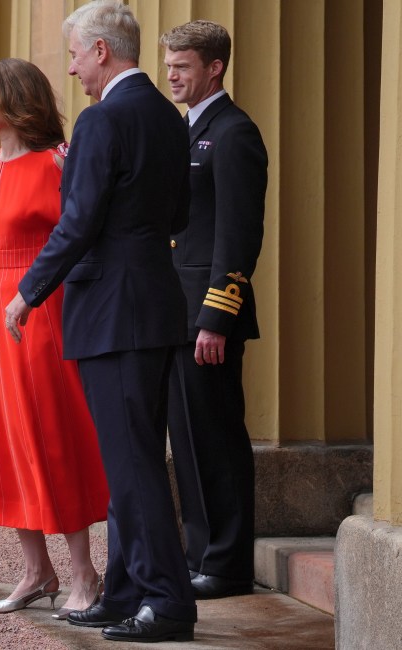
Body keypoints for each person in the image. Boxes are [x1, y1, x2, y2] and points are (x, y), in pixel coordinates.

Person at [4, 1, 196, 643]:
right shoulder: (171, 118)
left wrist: (29, 290)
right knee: (129, 459)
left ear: (103, 52)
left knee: (134, 463)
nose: (72, 69)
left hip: (114, 313)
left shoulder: (101, 119)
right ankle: (125, 591)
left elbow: (78, 220)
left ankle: (166, 602)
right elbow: (179, 217)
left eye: (77, 55)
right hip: (152, 301)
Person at [0, 57, 109, 620]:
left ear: (16, 100)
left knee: (48, 433)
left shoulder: (57, 162)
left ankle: (85, 573)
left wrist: (31, 291)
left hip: (38, 309)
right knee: (2, 435)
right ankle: (37, 571)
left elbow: (77, 233)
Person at [160, 20, 268, 600]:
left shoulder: (233, 133)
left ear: (214, 68)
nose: (172, 76)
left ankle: (225, 565)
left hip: (207, 319)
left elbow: (238, 237)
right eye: (170, 65)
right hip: (176, 314)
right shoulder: (187, 131)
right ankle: (199, 553)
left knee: (216, 439)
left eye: (182, 66)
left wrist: (216, 318)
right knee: (188, 437)